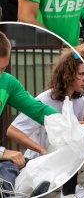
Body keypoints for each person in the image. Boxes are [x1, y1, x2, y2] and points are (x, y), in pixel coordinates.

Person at [7, 51, 84, 198]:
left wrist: (79, 126)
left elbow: (68, 134)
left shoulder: (80, 101)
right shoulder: (44, 100)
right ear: (69, 74)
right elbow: (12, 131)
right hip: (38, 166)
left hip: (63, 166)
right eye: (82, 74)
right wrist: (41, 150)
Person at [0, 31, 58, 194]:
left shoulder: (8, 82)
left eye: (3, 68)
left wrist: (66, 123)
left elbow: (38, 110)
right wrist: (3, 152)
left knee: (11, 166)